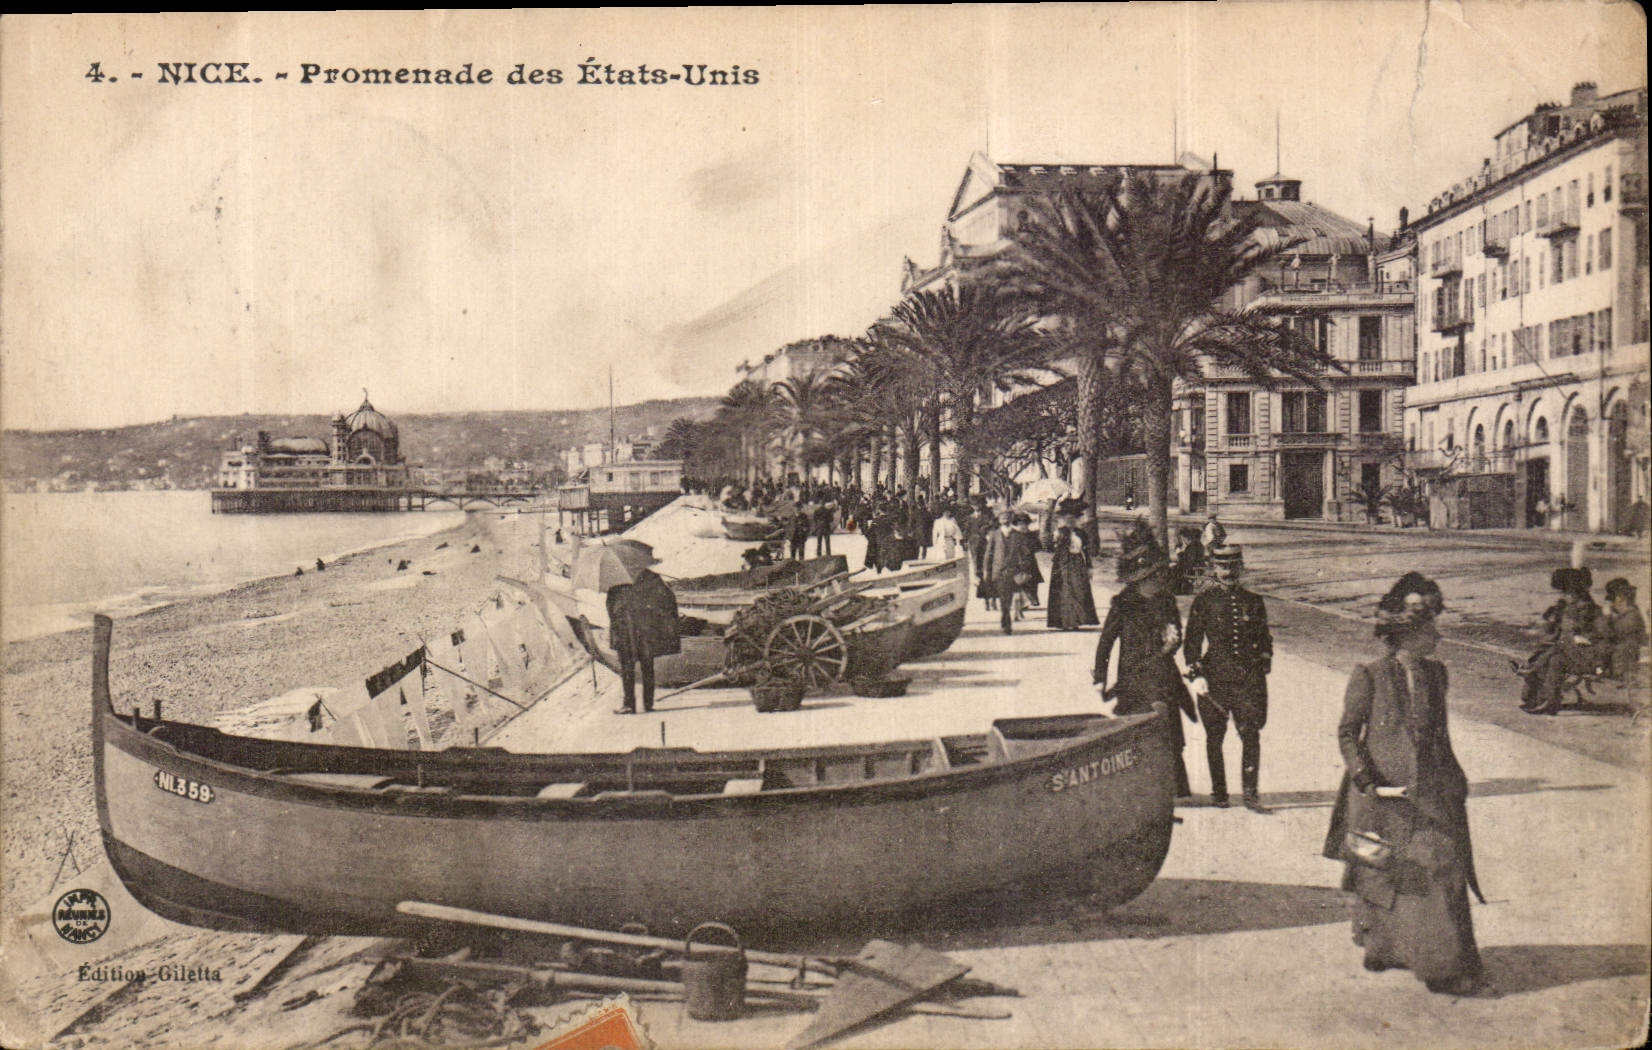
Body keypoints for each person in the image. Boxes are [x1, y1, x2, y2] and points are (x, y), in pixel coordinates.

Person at [1322, 573, 1489, 997]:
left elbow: (1441, 735)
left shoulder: (1438, 675)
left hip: (1430, 791)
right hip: (1381, 796)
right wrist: (1367, 781)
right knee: (1383, 872)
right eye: (1431, 630)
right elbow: (1347, 733)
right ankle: (1386, 948)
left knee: (1440, 868)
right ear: (1408, 635)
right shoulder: (1370, 675)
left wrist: (1455, 779)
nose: (1438, 637)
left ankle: (1444, 965)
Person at [1094, 522, 1196, 796]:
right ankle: (1140, 786)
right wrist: (1100, 678)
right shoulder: (1123, 603)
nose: (1159, 580)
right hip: (1133, 675)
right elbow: (1106, 642)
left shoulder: (1166, 600)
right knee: (1139, 729)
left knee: (1169, 731)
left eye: (1159, 575)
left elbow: (1176, 632)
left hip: (1163, 674)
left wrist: (1173, 644)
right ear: (1140, 578)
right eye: (1153, 576)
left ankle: (1173, 787)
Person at [1184, 546, 1273, 810]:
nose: (1228, 572)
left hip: (1248, 679)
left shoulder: (1254, 601)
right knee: (1215, 736)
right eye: (1223, 567)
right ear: (1214, 569)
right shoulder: (1204, 601)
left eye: (1234, 566)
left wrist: (1265, 660)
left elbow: (1264, 638)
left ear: (1241, 568)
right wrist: (1196, 674)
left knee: (1251, 734)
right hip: (1216, 678)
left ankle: (1250, 792)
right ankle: (1219, 792)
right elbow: (1192, 643)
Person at [1518, 567, 1605, 714]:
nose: (1564, 596)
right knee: (1551, 657)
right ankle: (1542, 698)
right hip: (1571, 652)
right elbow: (1558, 632)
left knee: (1553, 659)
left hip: (1585, 655)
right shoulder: (1570, 608)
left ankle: (1547, 697)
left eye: (1566, 593)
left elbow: (1591, 637)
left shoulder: (1587, 610)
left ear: (1575, 593)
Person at [605, 556, 681, 715]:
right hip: (646, 631)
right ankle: (648, 703)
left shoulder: (616, 581)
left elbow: (611, 608)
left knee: (627, 668)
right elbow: (668, 599)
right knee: (647, 666)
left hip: (625, 632)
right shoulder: (651, 578)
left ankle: (629, 705)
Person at [983, 510, 1035, 634]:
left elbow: (1026, 553)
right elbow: (988, 554)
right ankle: (1006, 620)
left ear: (1011, 519)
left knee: (1012, 597)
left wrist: (1025, 569)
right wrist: (986, 570)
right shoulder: (994, 535)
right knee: (1003, 598)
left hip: (1014, 571)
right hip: (999, 571)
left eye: (1007, 518)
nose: (1005, 520)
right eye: (1002, 518)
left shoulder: (1017, 535)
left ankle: (1006, 617)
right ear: (999, 520)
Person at [1046, 517, 1099, 630]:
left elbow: (1086, 550)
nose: (1071, 521)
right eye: (1068, 518)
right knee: (1064, 590)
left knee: (1077, 590)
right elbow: (1051, 547)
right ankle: (1064, 622)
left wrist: (1089, 566)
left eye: (1073, 518)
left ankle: (1076, 621)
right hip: (1062, 563)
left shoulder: (1081, 533)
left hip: (1077, 562)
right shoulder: (1059, 532)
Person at [1601, 577, 1646, 681]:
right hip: (1618, 662)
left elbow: (1611, 634)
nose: (1612, 603)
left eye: (1613, 599)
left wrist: (1607, 617)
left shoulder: (1632, 616)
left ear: (1620, 598)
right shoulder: (1626, 614)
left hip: (1623, 667)